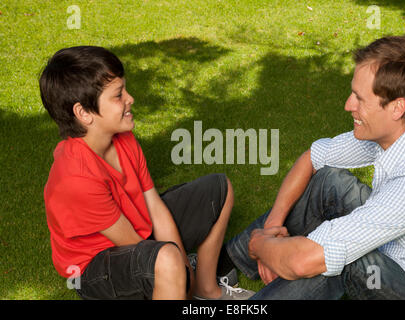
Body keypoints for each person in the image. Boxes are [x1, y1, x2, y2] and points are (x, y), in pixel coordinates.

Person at [224, 35, 405, 300]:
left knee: (340, 260)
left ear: (397, 108)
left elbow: (304, 261)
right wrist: (272, 227)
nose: (347, 105)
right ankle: (224, 266)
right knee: (329, 183)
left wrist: (260, 245)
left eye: (359, 98)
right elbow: (312, 157)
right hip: (397, 241)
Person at [39, 46, 254, 300]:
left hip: (138, 233)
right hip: (94, 269)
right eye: (118, 95)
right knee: (167, 260)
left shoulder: (123, 138)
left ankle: (206, 290)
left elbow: (154, 206)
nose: (130, 98)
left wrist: (188, 274)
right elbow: (133, 244)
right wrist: (178, 271)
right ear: (84, 113)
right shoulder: (77, 177)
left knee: (220, 188)